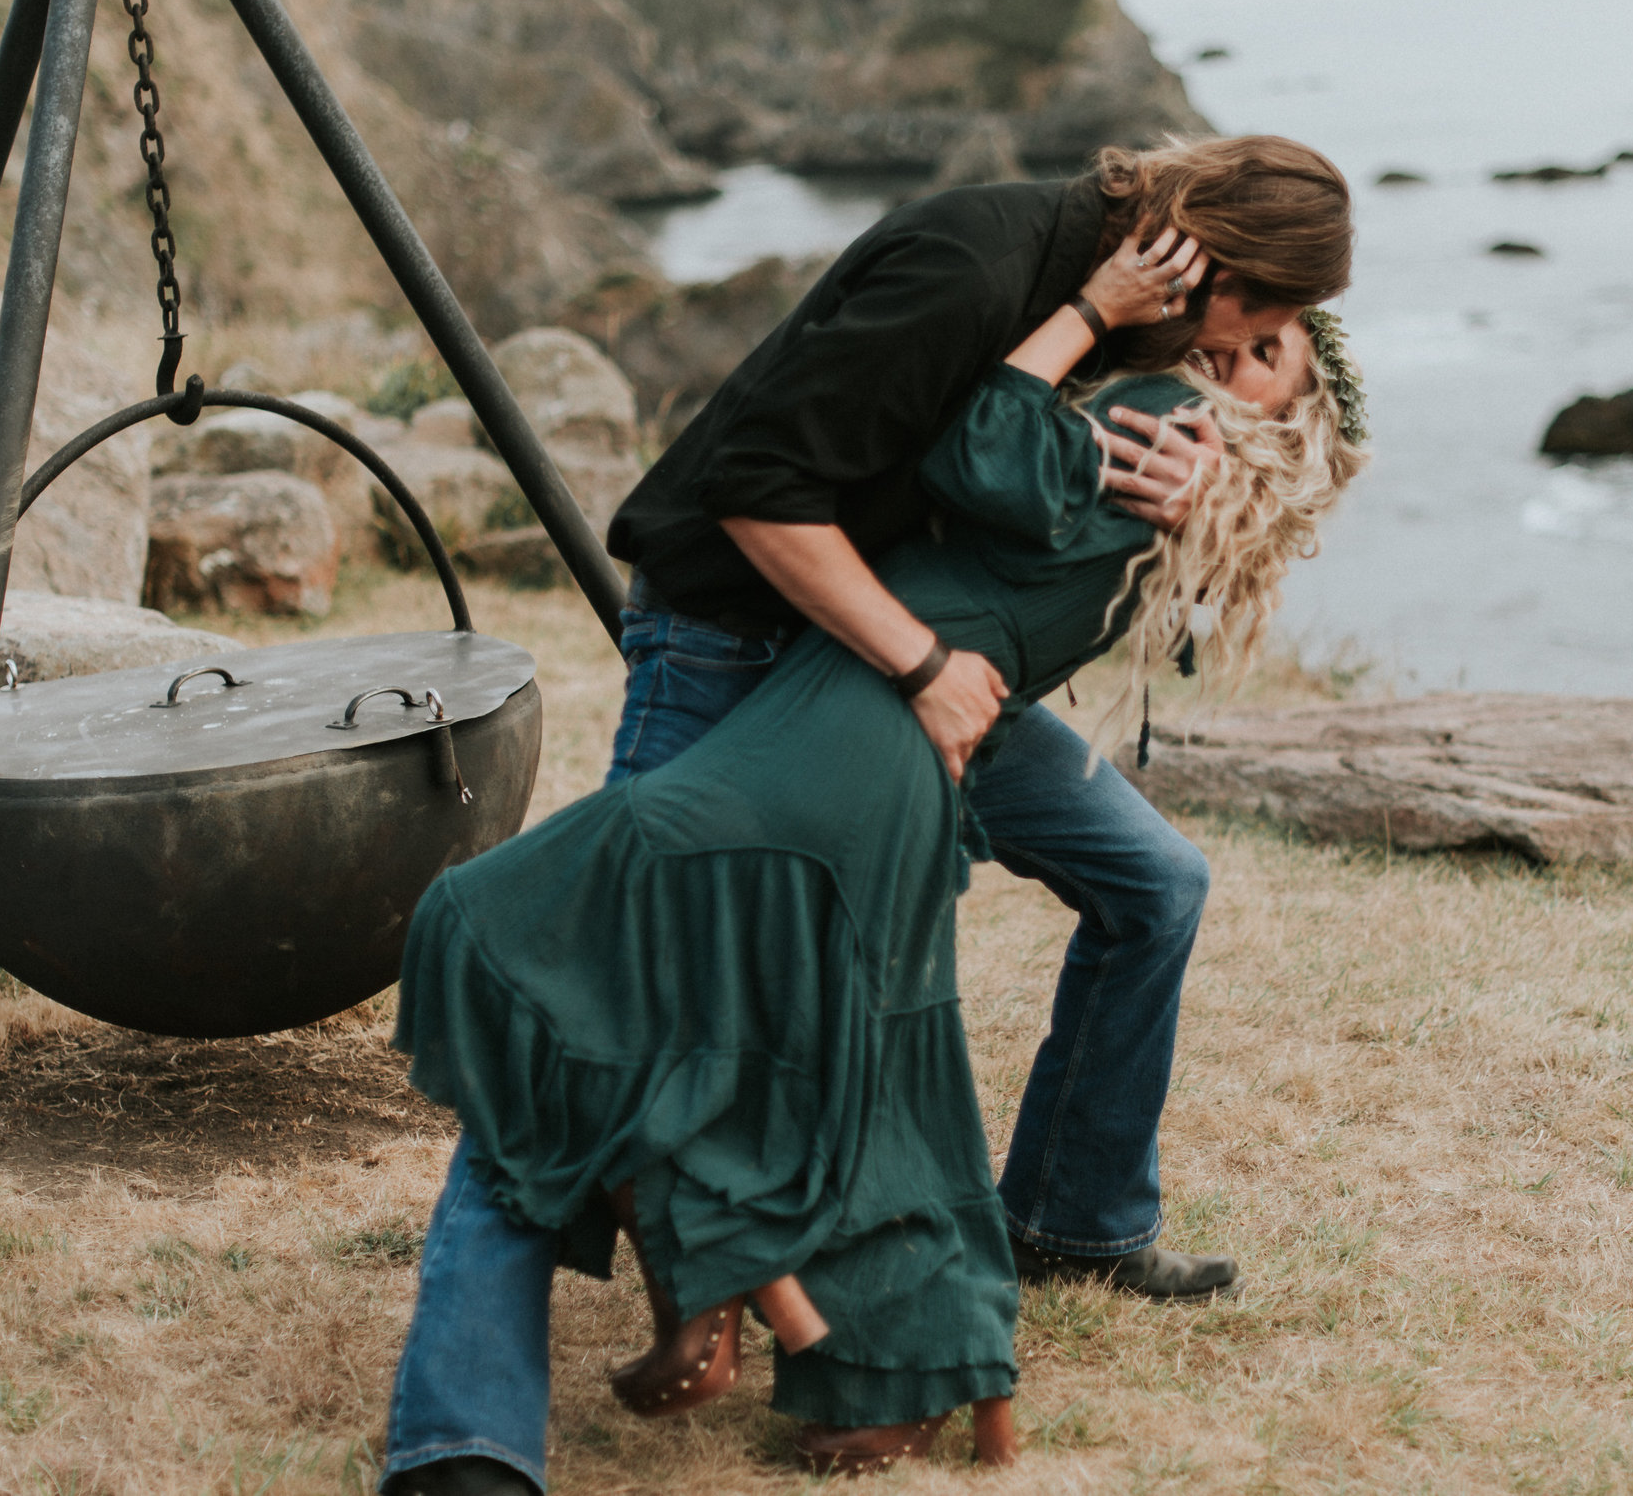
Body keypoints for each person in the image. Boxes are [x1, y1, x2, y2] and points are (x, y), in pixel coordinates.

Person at [382, 136, 1356, 1494]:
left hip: (930, 670)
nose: (1261, 348)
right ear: (1204, 265)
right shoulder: (975, 267)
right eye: (1260, 323)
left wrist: (1196, 484)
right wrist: (921, 664)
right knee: (602, 978)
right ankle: (465, 1431)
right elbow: (755, 488)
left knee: (1155, 882)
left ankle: (1074, 1217)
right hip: (755, 642)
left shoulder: (1138, 327)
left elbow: (1048, 481)